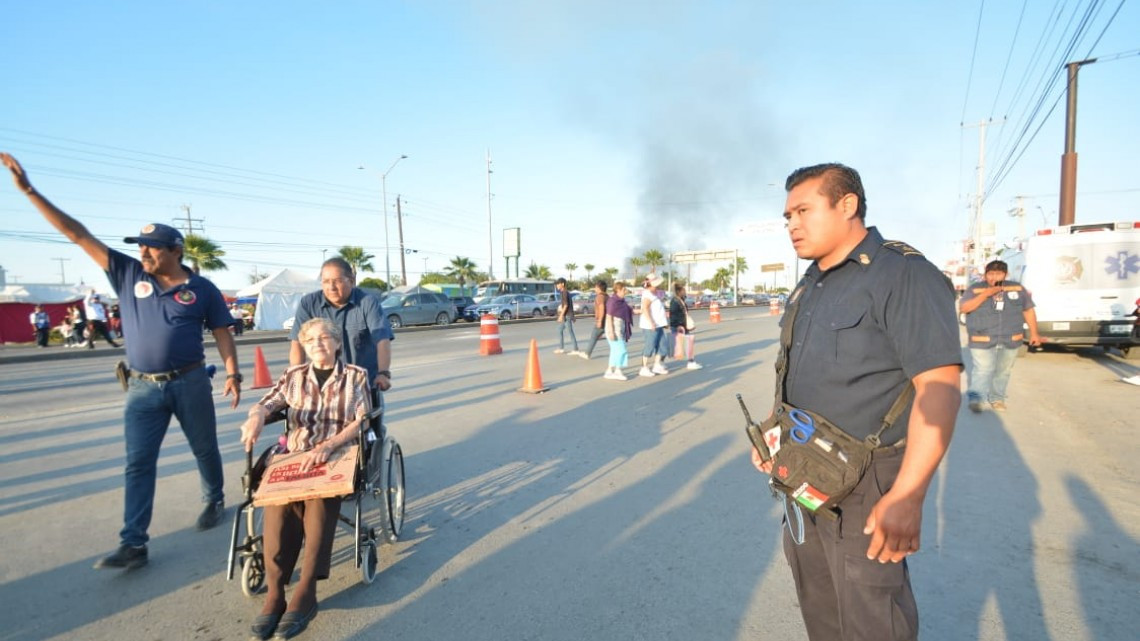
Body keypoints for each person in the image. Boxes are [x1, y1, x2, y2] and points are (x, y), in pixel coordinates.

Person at [750, 163, 962, 640]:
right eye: (787, 216)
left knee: (870, 614)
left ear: (847, 205)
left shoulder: (901, 274)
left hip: (868, 481)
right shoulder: (811, 282)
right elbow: (795, 369)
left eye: (803, 210)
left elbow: (940, 387)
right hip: (804, 471)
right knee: (819, 601)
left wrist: (908, 495)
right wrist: (771, 428)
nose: (792, 225)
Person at [2, 153, 242, 570]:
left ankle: (214, 499)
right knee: (138, 462)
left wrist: (234, 372)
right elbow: (77, 233)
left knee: (204, 448)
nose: (143, 252)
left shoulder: (202, 288)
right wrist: (29, 191)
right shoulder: (129, 273)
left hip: (189, 382)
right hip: (142, 387)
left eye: (150, 247)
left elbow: (222, 330)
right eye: (140, 246)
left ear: (175, 251)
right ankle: (134, 543)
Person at [240, 318, 371, 640]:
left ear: (337, 343)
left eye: (325, 337)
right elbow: (267, 403)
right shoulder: (293, 376)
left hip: (337, 451)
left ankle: (307, 590)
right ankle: (275, 592)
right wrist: (255, 418)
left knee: (318, 503)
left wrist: (329, 446)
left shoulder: (355, 375)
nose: (318, 344)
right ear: (304, 345)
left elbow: (362, 420)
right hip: (296, 453)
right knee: (280, 505)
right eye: (311, 339)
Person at [289, 257, 393, 394]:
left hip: (362, 386)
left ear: (351, 281)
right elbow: (297, 343)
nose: (331, 287)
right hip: (323, 388)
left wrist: (383, 373)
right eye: (326, 281)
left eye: (337, 281)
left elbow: (382, 340)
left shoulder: (367, 302)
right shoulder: (309, 304)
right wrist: (298, 377)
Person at [959, 259, 1042, 412]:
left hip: (1011, 338)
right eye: (990, 274)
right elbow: (964, 308)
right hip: (981, 339)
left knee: (1003, 371)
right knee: (983, 369)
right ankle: (976, 399)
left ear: (1006, 274)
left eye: (998, 274)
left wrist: (1034, 333)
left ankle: (997, 398)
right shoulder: (975, 289)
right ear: (985, 275)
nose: (994, 278)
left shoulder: (1017, 289)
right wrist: (985, 295)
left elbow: (1028, 310)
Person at [638, 273, 669, 377]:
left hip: (659, 324)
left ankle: (657, 365)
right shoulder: (647, 294)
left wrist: (664, 322)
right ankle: (644, 367)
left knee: (663, 346)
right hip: (650, 325)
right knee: (650, 346)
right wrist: (651, 322)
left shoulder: (655, 293)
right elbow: (645, 309)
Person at [603, 281, 634, 380]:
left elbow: (629, 311)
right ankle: (618, 371)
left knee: (615, 351)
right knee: (621, 351)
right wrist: (611, 332)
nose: (625, 291)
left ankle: (609, 371)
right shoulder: (612, 301)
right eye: (624, 289)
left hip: (621, 329)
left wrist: (642, 311)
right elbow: (608, 316)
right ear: (618, 290)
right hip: (613, 330)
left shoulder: (622, 301)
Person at [669, 283, 701, 369]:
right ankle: (659, 361)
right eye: (683, 291)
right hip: (679, 326)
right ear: (679, 291)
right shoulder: (675, 301)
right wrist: (678, 325)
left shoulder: (680, 300)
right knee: (675, 346)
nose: (685, 292)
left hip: (682, 325)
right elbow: (673, 315)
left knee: (686, 344)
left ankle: (691, 362)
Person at [579, 279, 609, 359]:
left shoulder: (600, 297)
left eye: (595, 287)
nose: (595, 289)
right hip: (607, 320)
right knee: (603, 336)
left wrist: (599, 321)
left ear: (599, 288)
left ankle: (587, 353)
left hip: (602, 321)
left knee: (593, 336)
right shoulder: (607, 296)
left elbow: (602, 308)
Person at [553, 277, 580, 355]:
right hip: (566, 315)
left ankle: (575, 349)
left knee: (570, 332)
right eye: (556, 284)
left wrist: (561, 315)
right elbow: (567, 304)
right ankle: (561, 348)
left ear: (563, 284)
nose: (557, 285)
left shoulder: (564, 292)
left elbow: (566, 305)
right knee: (560, 330)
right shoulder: (564, 292)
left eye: (558, 284)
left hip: (567, 315)